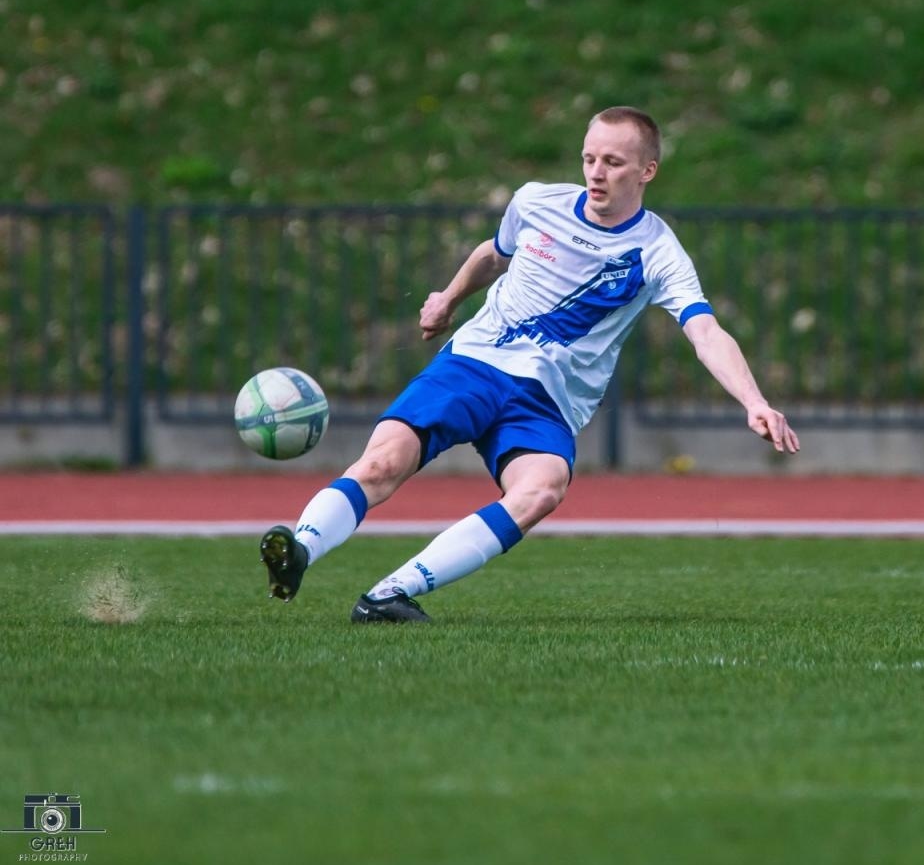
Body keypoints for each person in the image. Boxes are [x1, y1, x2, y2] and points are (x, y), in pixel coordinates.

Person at [259, 106, 801, 622]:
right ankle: (300, 549)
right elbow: (494, 254)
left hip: (548, 401)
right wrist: (448, 299)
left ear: (647, 170)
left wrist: (754, 401)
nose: (596, 173)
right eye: (590, 158)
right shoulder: (537, 202)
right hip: (476, 362)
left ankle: (390, 594)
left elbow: (704, 329)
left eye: (613, 162)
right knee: (383, 462)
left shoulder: (657, 252)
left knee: (541, 489)